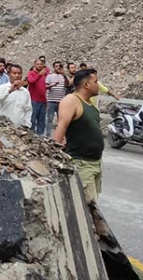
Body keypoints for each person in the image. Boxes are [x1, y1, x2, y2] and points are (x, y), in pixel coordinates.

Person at [54, 69, 105, 203]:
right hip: (82, 163)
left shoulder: (90, 103)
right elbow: (61, 126)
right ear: (86, 85)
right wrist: (53, 155)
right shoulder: (71, 100)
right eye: (95, 82)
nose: (98, 85)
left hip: (95, 163)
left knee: (92, 204)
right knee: (86, 205)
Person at [0, 64, 32, 128]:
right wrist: (9, 91)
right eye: (14, 73)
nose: (17, 75)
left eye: (19, 73)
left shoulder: (25, 92)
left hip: (20, 127)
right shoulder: (2, 88)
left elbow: (28, 109)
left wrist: (27, 124)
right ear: (9, 74)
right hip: (5, 127)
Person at [26, 59, 49, 136]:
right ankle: (31, 135)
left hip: (43, 100)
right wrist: (39, 75)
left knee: (42, 120)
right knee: (32, 119)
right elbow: (31, 81)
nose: (39, 65)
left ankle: (40, 136)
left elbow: (43, 87)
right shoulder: (31, 73)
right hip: (34, 100)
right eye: (38, 64)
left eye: (41, 64)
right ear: (34, 65)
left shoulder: (44, 75)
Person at [45, 61, 68, 135]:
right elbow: (45, 87)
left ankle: (59, 135)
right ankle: (48, 135)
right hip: (51, 101)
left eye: (60, 66)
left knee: (60, 120)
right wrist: (52, 85)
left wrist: (64, 75)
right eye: (56, 66)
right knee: (50, 119)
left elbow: (68, 84)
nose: (58, 68)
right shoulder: (50, 76)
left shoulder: (64, 76)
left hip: (61, 101)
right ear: (53, 67)